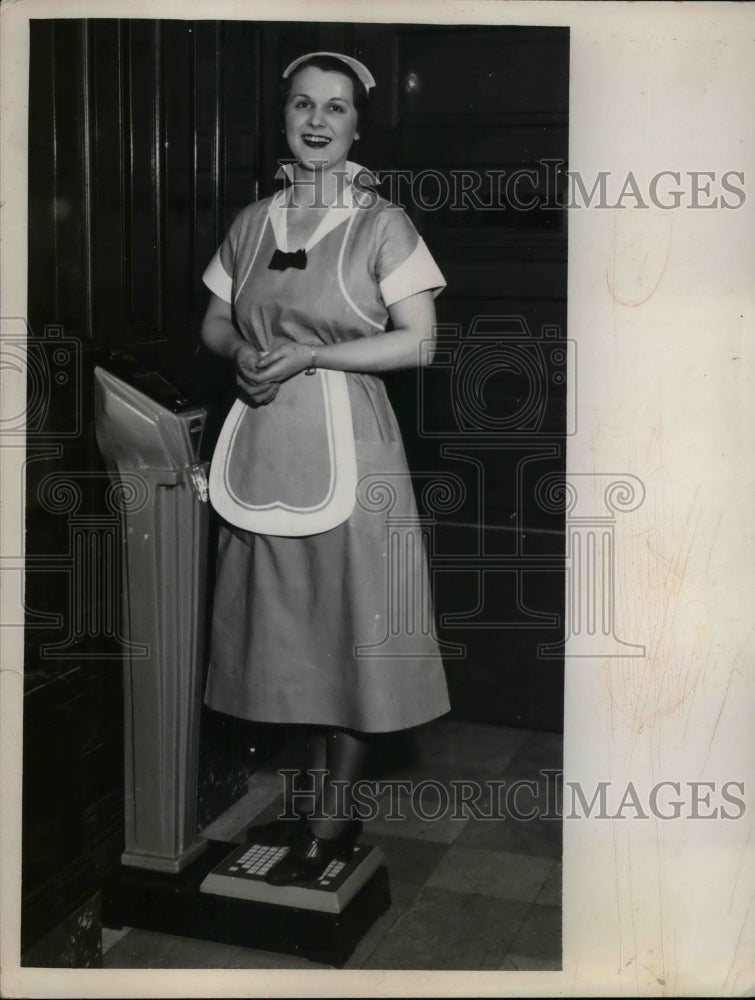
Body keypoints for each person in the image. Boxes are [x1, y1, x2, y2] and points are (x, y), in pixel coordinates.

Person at [200, 51, 450, 885]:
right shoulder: (250, 222)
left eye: (334, 109)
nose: (316, 121)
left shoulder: (384, 224)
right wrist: (241, 351)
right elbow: (212, 323)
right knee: (287, 632)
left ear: (355, 123)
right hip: (266, 445)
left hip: (352, 444)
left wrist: (308, 357)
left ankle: (334, 813)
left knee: (348, 629)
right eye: (302, 105)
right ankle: (309, 797)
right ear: (283, 116)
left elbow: (420, 340)